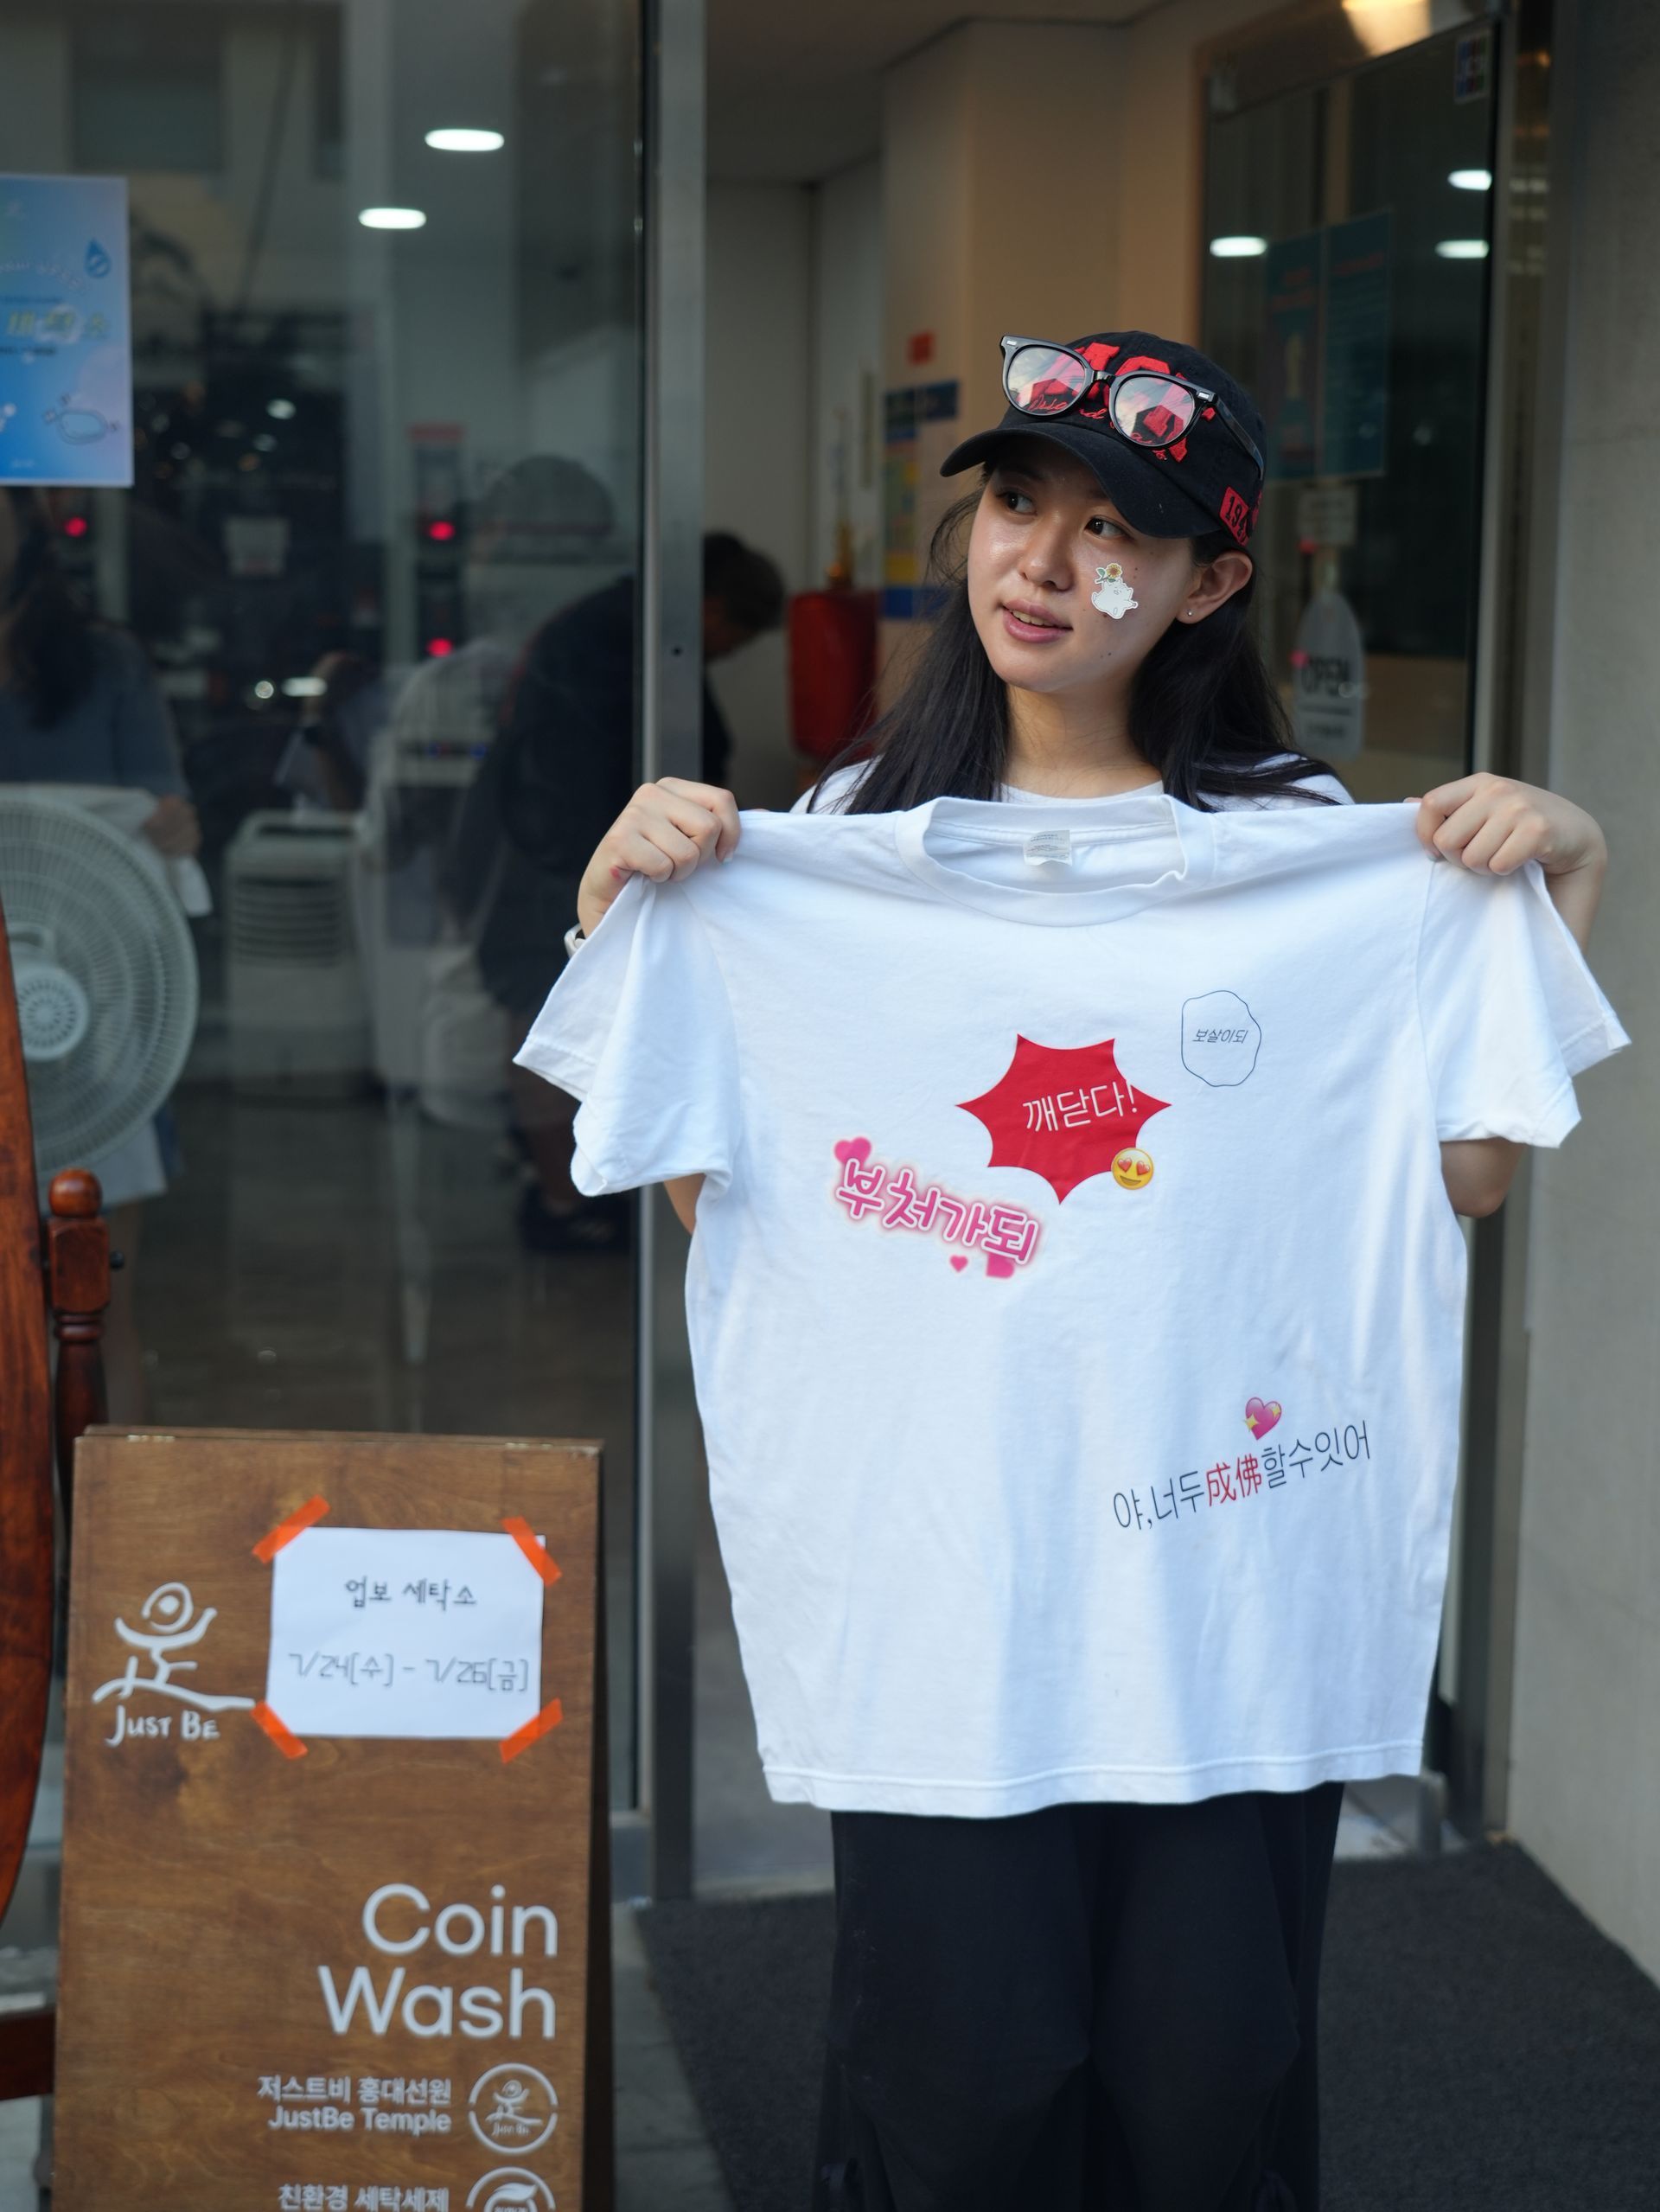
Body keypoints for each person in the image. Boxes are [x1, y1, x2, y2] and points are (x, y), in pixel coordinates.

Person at [521, 331, 1618, 2209]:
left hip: (1233, 1599)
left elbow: (1471, 1174)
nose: (1042, 558)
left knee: (1212, 2089)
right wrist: (617, 907)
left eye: (1118, 528)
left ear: (1209, 585)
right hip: (946, 1603)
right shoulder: (836, 848)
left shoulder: (1306, 856)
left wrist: (1567, 880)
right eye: (1019, 501)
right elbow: (724, 1203)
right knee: (962, 2099)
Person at [450, 529, 784, 1255]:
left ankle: (573, 1187)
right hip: (546, 859)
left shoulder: (615, 626)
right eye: (735, 634)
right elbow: (567, 778)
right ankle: (564, 1200)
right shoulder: (611, 643)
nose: (727, 652)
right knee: (547, 1011)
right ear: (712, 605)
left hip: (543, 849)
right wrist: (601, 894)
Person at [0, 486, 201, 1423]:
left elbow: (173, 821)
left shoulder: (108, 663)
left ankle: (108, 1542)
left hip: (102, 1021)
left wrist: (166, 825)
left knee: (95, 1308)